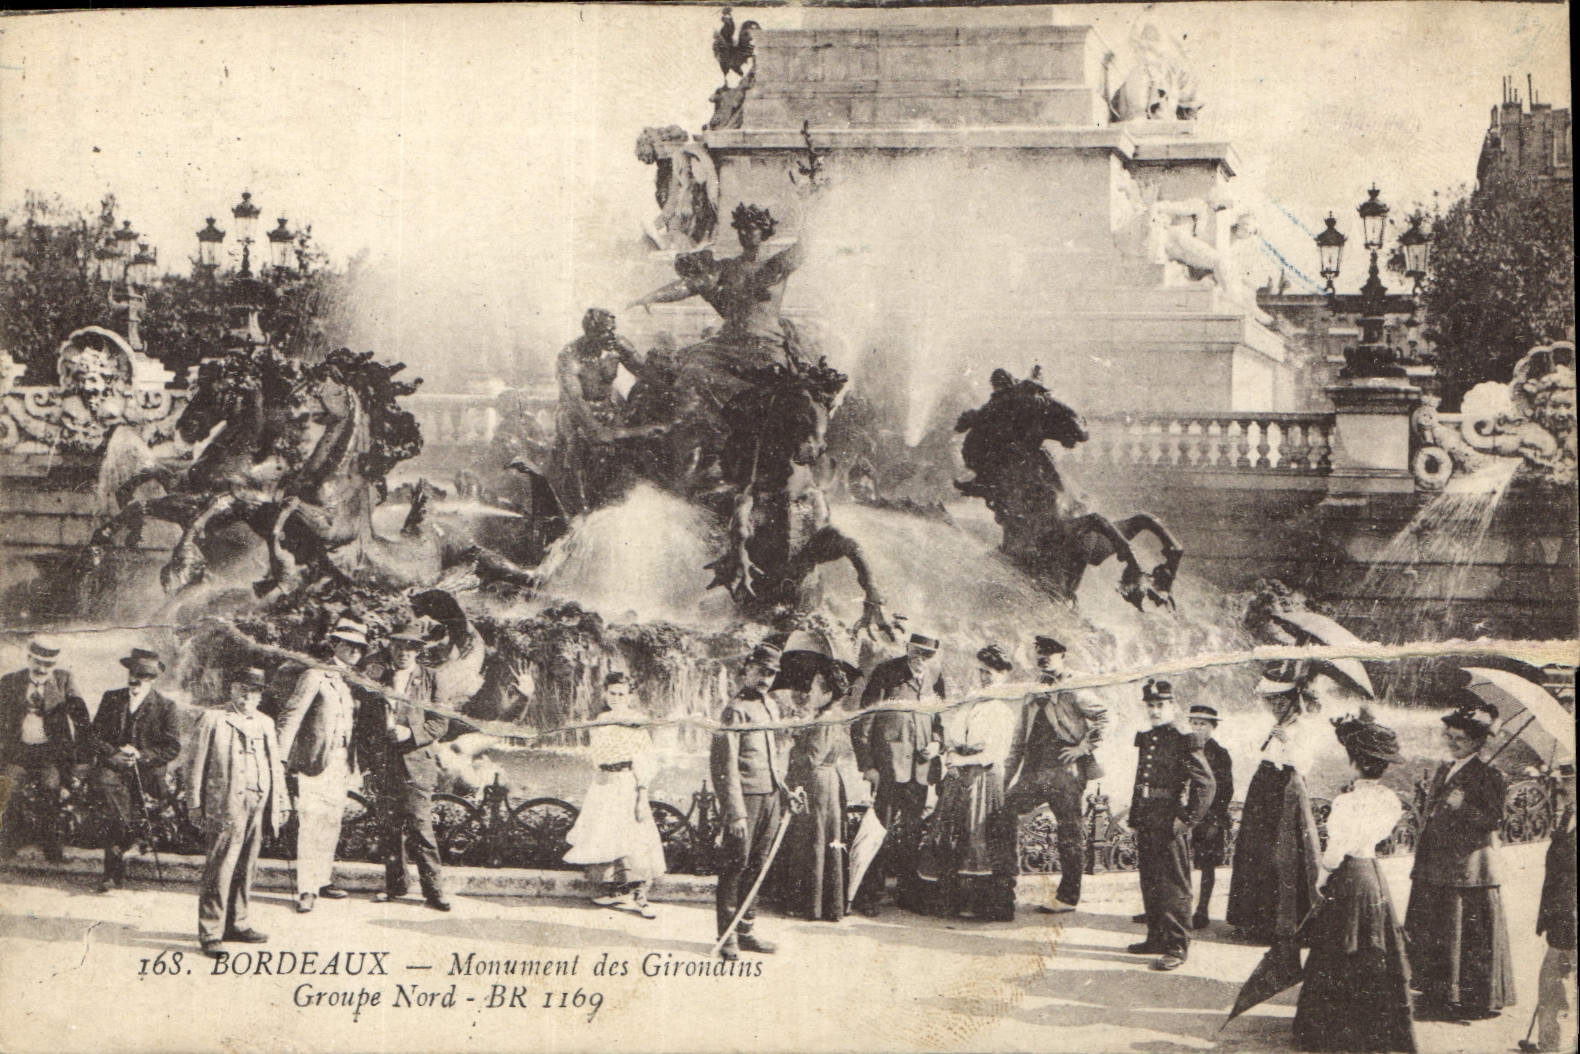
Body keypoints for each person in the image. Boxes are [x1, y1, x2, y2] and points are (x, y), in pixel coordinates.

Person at [1292, 710, 1416, 1053]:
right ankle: (1373, 1023)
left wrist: (1323, 875)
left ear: (1353, 762)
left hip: (1348, 875)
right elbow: (1373, 837)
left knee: (1339, 946)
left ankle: (1332, 1028)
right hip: (1373, 875)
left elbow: (1335, 850)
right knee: (1373, 944)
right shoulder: (1391, 800)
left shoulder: (1345, 802)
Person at [1404, 694, 1517, 1021]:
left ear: (1478, 742)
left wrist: (1462, 806)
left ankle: (1467, 1000)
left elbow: (1496, 820)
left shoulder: (1489, 775)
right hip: (1437, 865)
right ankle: (1437, 994)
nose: (1452, 743)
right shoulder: (1445, 769)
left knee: (1460, 933)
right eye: (1449, 737)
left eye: (1460, 739)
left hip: (1467, 870)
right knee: (1437, 929)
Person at [186, 667, 291, 958]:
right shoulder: (213, 719)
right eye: (243, 689)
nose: (248, 696)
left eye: (255, 691)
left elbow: (275, 767)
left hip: (259, 801)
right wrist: (194, 803)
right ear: (232, 689)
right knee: (220, 866)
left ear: (261, 695)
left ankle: (239, 923)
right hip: (226, 802)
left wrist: (282, 802)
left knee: (247, 865)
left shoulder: (266, 723)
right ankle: (211, 932)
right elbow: (194, 765)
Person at [1003, 634, 1107, 914]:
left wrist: (1083, 748)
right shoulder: (1033, 690)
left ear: (1062, 655)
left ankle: (1067, 898)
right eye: (1040, 653)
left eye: (1050, 652)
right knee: (1003, 812)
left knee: (1069, 831)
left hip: (1065, 771)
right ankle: (1003, 888)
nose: (1044, 657)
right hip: (1034, 770)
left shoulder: (1075, 684)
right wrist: (1005, 779)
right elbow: (1018, 740)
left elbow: (1106, 717)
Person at [916, 644, 1020, 921]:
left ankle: (980, 903)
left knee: (978, 835)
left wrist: (962, 762)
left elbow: (996, 753)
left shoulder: (1002, 710)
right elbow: (952, 737)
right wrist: (950, 756)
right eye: (982, 672)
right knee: (949, 831)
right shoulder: (971, 704)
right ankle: (948, 899)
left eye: (990, 674)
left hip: (984, 778)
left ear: (1003, 676)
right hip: (960, 776)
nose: (984, 678)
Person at [275, 617, 370, 914]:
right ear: (336, 645)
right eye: (349, 645)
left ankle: (323, 879)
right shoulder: (315, 675)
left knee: (332, 821)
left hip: (343, 760)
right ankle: (306, 888)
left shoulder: (355, 680)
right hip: (316, 759)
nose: (355, 651)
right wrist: (279, 758)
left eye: (360, 647)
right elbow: (291, 716)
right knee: (311, 823)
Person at [849, 631, 946, 916]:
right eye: (917, 652)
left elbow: (940, 720)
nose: (922, 659)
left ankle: (908, 894)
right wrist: (868, 766)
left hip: (919, 772)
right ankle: (868, 896)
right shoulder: (885, 673)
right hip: (889, 771)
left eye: (928, 655)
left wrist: (937, 743)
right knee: (879, 832)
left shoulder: (935, 677)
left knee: (912, 833)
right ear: (907, 648)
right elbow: (863, 723)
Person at [1226, 664, 1325, 942]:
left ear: (1292, 702)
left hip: (1286, 792)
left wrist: (1287, 743)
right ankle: (1250, 920)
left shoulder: (1304, 728)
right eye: (1272, 702)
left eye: (1279, 702)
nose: (1273, 707)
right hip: (1264, 787)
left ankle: (1280, 923)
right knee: (1253, 850)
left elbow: (1303, 765)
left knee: (1280, 854)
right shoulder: (1278, 725)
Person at [359, 623, 452, 911]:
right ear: (391, 647)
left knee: (421, 829)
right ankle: (396, 886)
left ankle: (434, 892)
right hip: (384, 764)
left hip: (416, 766)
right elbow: (364, 724)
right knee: (389, 829)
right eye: (399, 645)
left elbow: (441, 722)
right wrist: (365, 767)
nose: (404, 652)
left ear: (418, 650)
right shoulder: (377, 677)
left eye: (410, 646)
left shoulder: (431, 678)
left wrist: (411, 734)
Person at [711, 642, 793, 961]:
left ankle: (746, 932)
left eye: (772, 674)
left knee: (757, 866)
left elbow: (772, 758)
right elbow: (724, 765)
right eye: (761, 671)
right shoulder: (735, 709)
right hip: (745, 801)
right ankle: (727, 936)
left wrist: (784, 791)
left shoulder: (769, 706)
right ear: (747, 669)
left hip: (770, 797)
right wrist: (735, 813)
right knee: (735, 866)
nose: (766, 678)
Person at [563, 672, 666, 920]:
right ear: (605, 693)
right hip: (604, 783)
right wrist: (599, 772)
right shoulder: (602, 719)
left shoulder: (636, 720)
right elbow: (598, 753)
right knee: (605, 835)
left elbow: (645, 759)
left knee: (633, 836)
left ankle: (640, 896)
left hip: (627, 783)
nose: (617, 698)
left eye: (622, 693)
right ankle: (615, 891)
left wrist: (642, 794)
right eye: (612, 693)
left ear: (630, 696)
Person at [1128, 678, 1214, 972]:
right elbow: (1141, 779)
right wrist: (1135, 816)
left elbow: (1206, 784)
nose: (1154, 711)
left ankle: (1177, 946)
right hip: (1148, 815)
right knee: (1150, 879)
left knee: (1174, 884)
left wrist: (1187, 820)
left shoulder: (1182, 738)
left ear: (1172, 706)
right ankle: (1156, 937)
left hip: (1169, 818)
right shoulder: (1149, 737)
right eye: (1150, 705)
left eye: (1160, 705)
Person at [89, 648, 181, 893]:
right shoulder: (112, 699)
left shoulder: (165, 706)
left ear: (152, 679)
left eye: (142, 675)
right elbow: (94, 736)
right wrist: (114, 754)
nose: (135, 680)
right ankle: (112, 875)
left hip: (148, 774)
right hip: (115, 768)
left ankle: (134, 844)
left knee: (128, 811)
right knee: (114, 809)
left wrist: (142, 755)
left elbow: (173, 747)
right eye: (133, 673)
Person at [0, 637, 89, 863]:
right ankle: (10, 842)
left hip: (49, 752)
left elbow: (81, 718)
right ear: (28, 658)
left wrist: (82, 756)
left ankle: (52, 847)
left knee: (51, 787)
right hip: (18, 751)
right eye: (37, 662)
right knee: (9, 786)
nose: (42, 669)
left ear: (55, 665)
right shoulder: (10, 682)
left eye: (48, 665)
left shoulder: (63, 680)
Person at [781, 658, 855, 922]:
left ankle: (814, 905)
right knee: (818, 840)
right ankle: (819, 903)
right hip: (824, 781)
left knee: (816, 840)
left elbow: (811, 758)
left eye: (814, 688)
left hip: (818, 783)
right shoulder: (825, 716)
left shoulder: (826, 720)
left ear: (827, 693)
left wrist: (796, 743)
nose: (809, 693)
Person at [1523, 761, 1576, 1053]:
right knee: (1553, 984)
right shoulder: (1568, 814)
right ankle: (1550, 1045)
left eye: (1569, 781)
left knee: (1562, 987)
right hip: (1559, 914)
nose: (1563, 786)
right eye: (1564, 781)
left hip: (1571, 915)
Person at [1187, 702, 1233, 930]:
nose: (1197, 728)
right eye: (1194, 723)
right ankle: (1172, 908)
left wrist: (1215, 819)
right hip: (1187, 815)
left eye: (1203, 724)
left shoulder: (1220, 754)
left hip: (1210, 817)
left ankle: (1202, 909)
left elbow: (1226, 790)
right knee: (1178, 863)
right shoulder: (1184, 749)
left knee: (1207, 865)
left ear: (1212, 727)